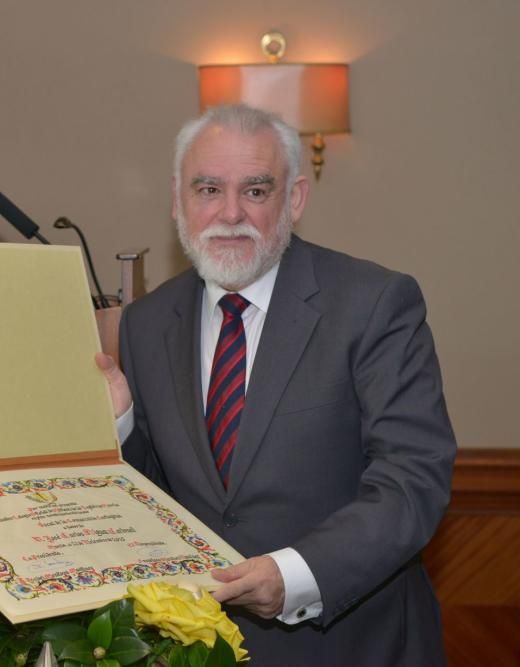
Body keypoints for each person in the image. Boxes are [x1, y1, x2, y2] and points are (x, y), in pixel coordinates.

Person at [97, 104, 455, 666]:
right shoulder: (146, 323)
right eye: (208, 188)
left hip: (351, 644)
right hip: (197, 649)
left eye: (257, 191)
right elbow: (158, 495)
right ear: (176, 201)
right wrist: (120, 426)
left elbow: (413, 480)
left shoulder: (374, 303)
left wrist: (295, 575)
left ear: (294, 199)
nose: (230, 212)